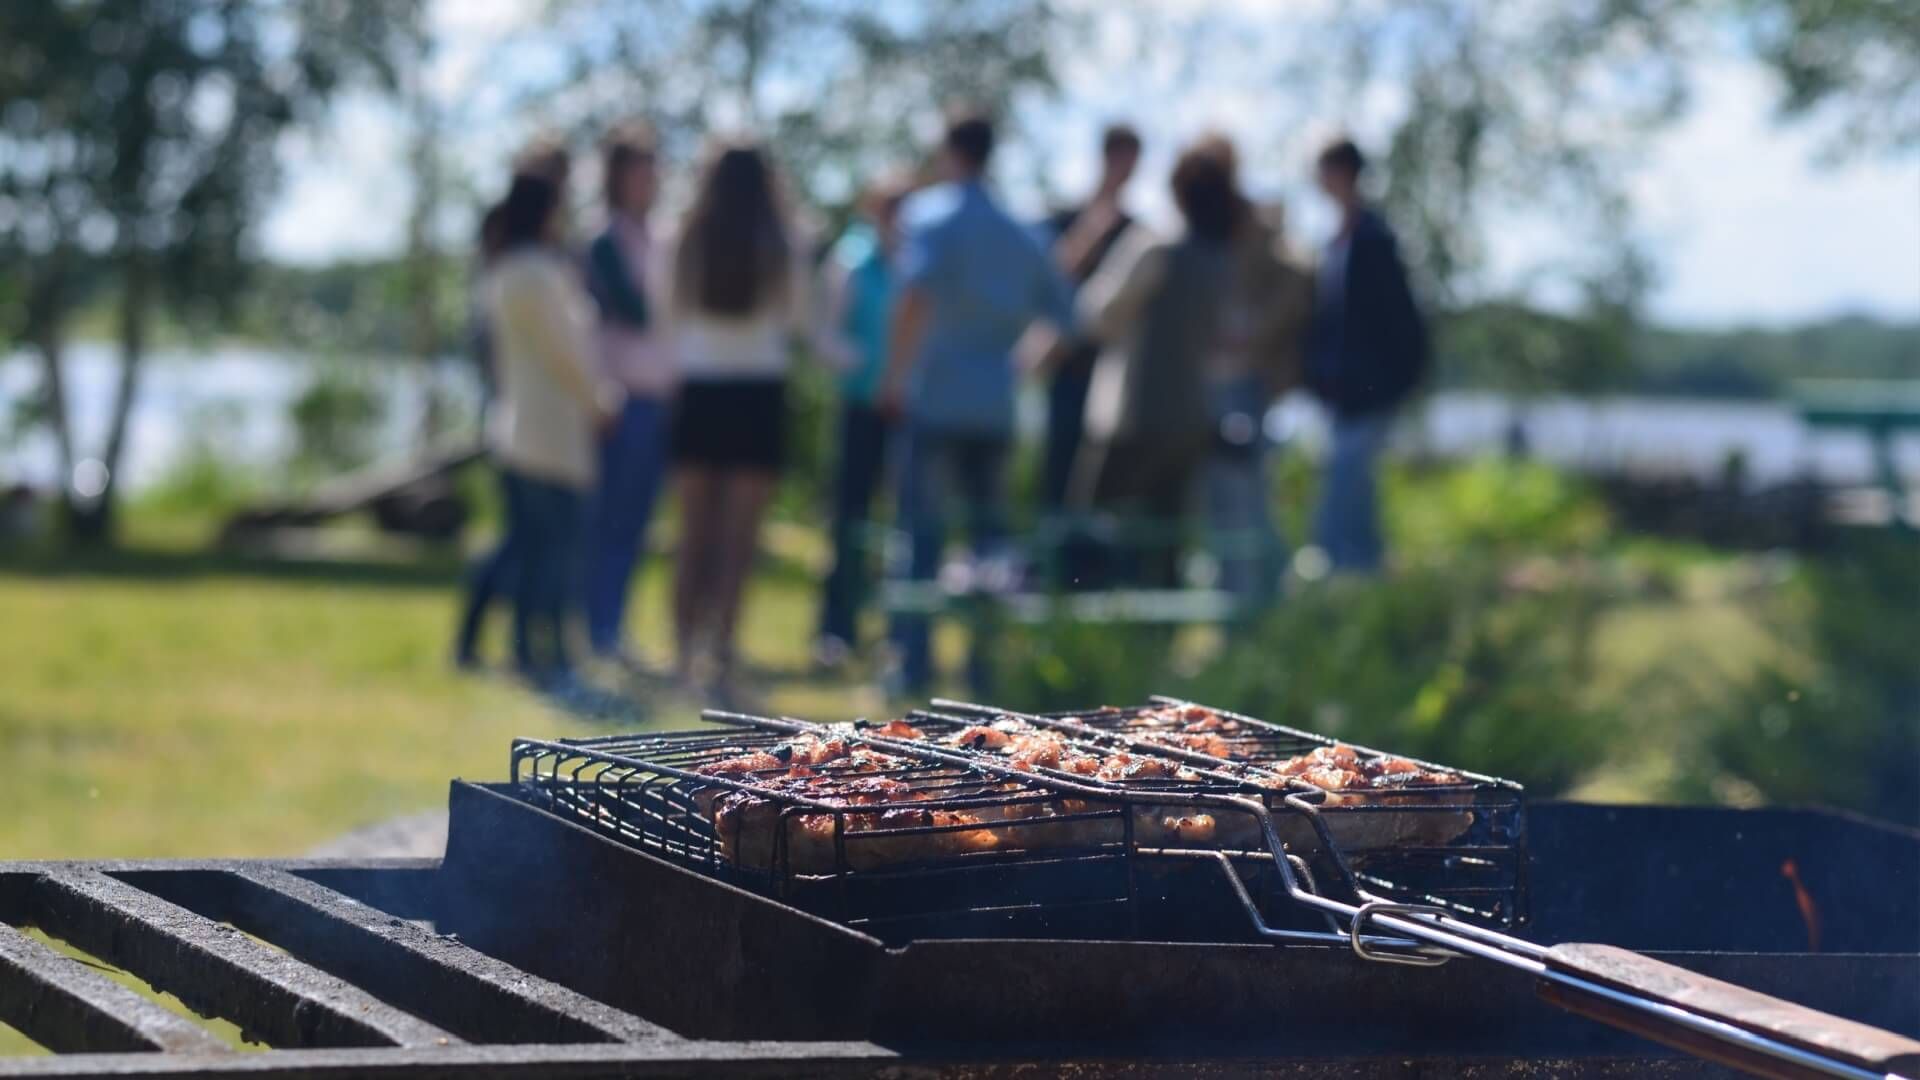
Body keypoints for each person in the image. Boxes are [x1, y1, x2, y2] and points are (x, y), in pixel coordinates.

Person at [877, 110, 1076, 695]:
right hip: (995, 408)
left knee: (920, 537)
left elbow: (914, 299)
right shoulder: (1023, 232)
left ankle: (911, 668)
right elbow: (1065, 319)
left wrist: (893, 378)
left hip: (934, 402)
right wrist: (1021, 367)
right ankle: (982, 673)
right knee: (990, 546)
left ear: (950, 151)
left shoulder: (929, 215)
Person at [666, 141, 810, 705]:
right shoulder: (783, 239)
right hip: (758, 390)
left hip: (700, 387)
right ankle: (719, 651)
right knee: (737, 539)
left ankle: (682, 653)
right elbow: (797, 317)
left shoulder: (687, 235)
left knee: (692, 532)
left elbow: (668, 311)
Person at [1071, 145, 1239, 588]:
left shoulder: (1155, 246)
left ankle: (1099, 644)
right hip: (1189, 421)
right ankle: (1160, 645)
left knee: (1096, 536)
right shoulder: (1219, 260)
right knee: (1167, 545)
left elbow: (1096, 314)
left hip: (1131, 418)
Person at [477, 169, 619, 688]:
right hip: (553, 433)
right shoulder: (540, 274)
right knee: (556, 556)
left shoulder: (502, 272)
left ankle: (524, 650)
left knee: (530, 551)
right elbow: (569, 355)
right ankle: (550, 655)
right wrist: (601, 401)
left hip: (517, 428)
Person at [1191, 135, 1313, 605]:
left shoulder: (1256, 223)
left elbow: (1298, 280)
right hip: (1204, 386)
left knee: (1245, 499)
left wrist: (1251, 334)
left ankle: (1254, 608)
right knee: (1218, 504)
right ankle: (1235, 603)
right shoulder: (1198, 223)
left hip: (1244, 384)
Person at [1305, 138, 1429, 572]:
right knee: (1349, 495)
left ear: (1342, 172)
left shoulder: (1372, 239)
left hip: (1366, 395)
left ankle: (1350, 587)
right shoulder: (1338, 241)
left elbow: (1401, 321)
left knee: (1344, 498)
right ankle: (1359, 588)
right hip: (1343, 395)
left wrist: (1393, 385)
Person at [580, 125, 675, 667]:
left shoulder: (662, 237)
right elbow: (635, 313)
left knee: (637, 524)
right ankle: (598, 627)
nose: (649, 180)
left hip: (658, 400)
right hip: (620, 403)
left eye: (653, 169)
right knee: (607, 521)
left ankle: (612, 627)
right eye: (638, 169)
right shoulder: (603, 241)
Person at [812, 177, 911, 669]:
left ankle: (889, 633)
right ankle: (835, 629)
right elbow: (825, 339)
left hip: (907, 412)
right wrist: (874, 364)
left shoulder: (915, 263)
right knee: (849, 519)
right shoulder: (850, 261)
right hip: (861, 407)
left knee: (900, 527)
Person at [1041, 125, 1141, 521]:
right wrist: (1093, 228)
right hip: (1066, 364)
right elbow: (1052, 277)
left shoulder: (1136, 230)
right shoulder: (1065, 218)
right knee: (1059, 469)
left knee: (1106, 480)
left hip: (1115, 369)